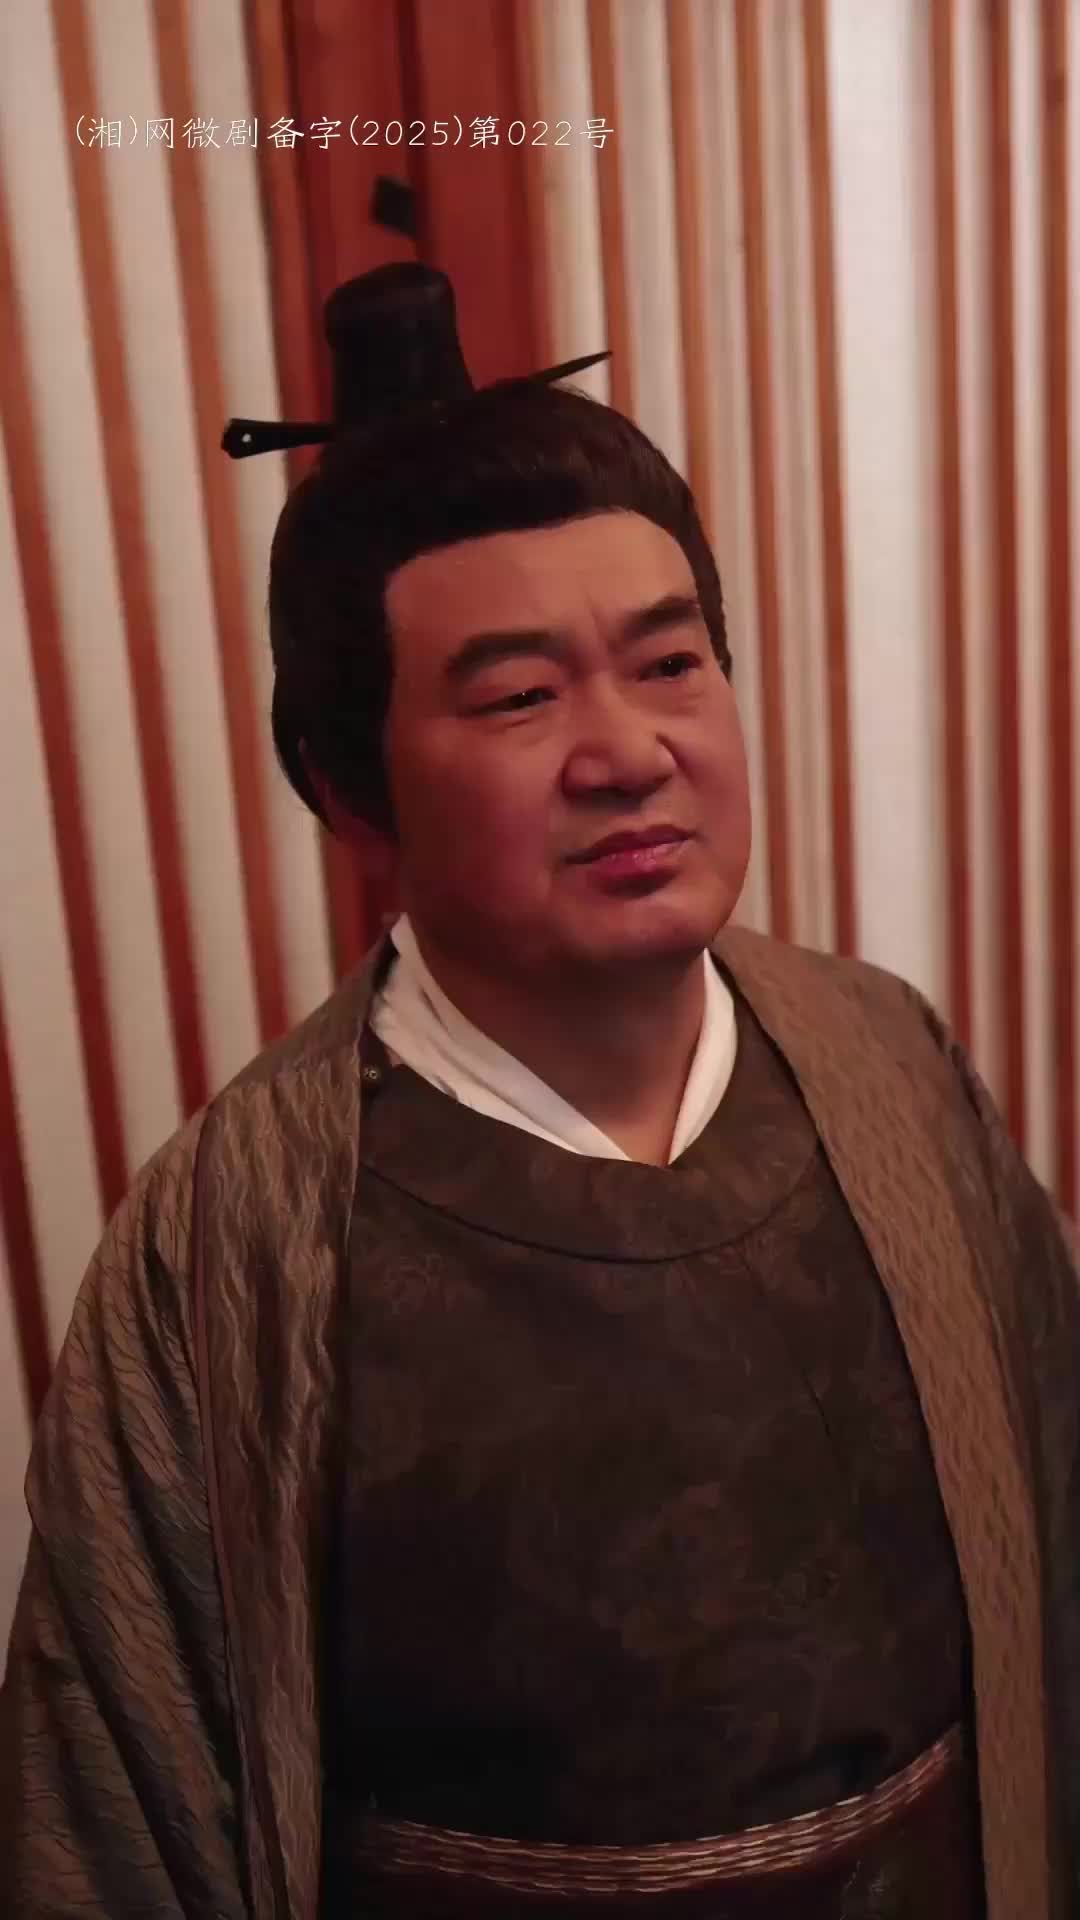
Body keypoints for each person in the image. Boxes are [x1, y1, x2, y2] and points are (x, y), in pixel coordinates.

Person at [2, 262, 1078, 1920]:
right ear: (346, 786)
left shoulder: (891, 1068)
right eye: (517, 696)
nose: (629, 752)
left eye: (672, 662)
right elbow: (117, 1806)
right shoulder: (226, 1244)